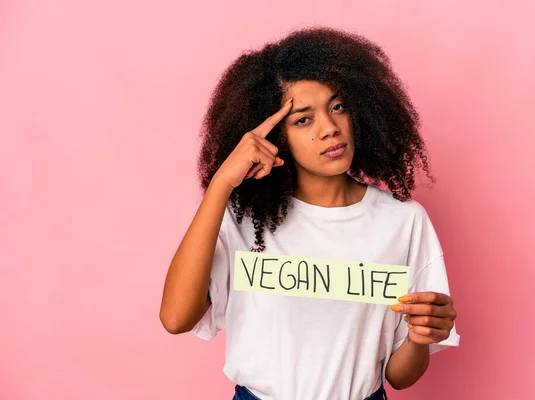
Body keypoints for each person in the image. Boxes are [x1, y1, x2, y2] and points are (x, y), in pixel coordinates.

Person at [159, 27, 460, 400]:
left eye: (338, 107)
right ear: (275, 135)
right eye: (303, 119)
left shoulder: (403, 221)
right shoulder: (245, 219)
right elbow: (175, 318)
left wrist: (421, 336)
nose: (330, 128)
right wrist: (221, 184)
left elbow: (399, 376)